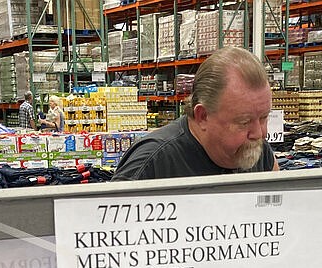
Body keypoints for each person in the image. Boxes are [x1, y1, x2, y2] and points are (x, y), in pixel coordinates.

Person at [112, 46, 278, 181]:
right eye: (244, 122)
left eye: (264, 118)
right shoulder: (152, 164)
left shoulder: (258, 151)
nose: (260, 133)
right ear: (203, 116)